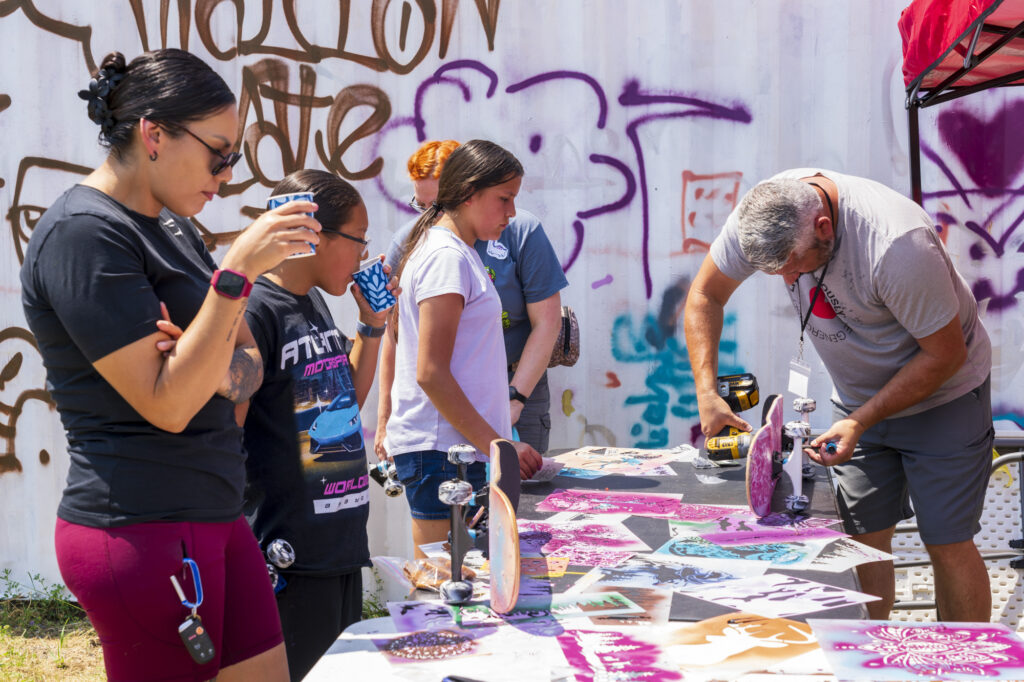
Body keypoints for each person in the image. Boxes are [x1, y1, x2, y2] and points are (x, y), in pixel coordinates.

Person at [20, 49, 320, 680]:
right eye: (218, 152)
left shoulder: (174, 229)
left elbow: (247, 370)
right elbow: (171, 404)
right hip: (142, 526)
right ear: (153, 134)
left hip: (213, 511)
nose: (228, 173)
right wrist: (234, 277)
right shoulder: (85, 233)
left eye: (233, 156)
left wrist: (197, 347)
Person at [683, 169, 993, 622]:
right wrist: (707, 393)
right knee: (861, 542)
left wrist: (861, 420)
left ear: (823, 228)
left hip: (944, 397)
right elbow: (705, 294)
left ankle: (965, 666)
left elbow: (945, 356)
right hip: (857, 404)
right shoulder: (764, 212)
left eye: (792, 265)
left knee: (947, 542)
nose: (787, 278)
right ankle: (869, 659)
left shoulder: (895, 245)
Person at [236, 170, 389, 681]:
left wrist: (372, 325)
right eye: (358, 239)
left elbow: (345, 404)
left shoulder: (316, 302)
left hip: (338, 543)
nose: (363, 255)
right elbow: (226, 433)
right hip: (289, 552)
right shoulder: (257, 311)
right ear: (316, 235)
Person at [383, 139, 543, 555]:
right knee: (443, 589)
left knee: (466, 586)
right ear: (469, 194)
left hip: (455, 451)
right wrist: (497, 445)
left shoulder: (459, 252)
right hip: (441, 454)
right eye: (504, 199)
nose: (511, 213)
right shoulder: (445, 257)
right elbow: (430, 372)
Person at [376, 140, 567, 462]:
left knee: (515, 504)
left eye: (439, 202)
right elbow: (399, 339)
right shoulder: (440, 252)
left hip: (510, 386)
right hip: (445, 421)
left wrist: (515, 397)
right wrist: (384, 420)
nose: (433, 214)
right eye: (423, 206)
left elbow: (547, 321)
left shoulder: (516, 232)